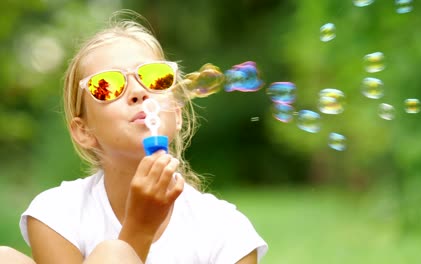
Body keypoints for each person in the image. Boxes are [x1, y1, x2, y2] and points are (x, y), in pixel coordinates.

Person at [4, 10, 268, 264]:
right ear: (83, 131)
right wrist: (139, 228)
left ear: (176, 113)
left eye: (154, 77)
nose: (138, 92)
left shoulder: (226, 231)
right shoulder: (57, 214)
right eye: (107, 86)